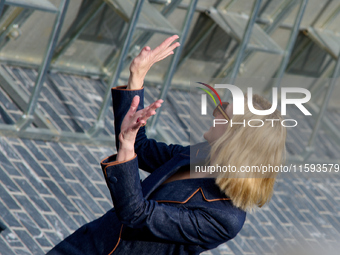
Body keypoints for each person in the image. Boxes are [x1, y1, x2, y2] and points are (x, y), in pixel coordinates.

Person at [47, 35, 287, 255]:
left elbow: (136, 214)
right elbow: (141, 149)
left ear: (237, 137)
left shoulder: (224, 218)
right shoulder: (202, 156)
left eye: (224, 113)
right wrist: (137, 76)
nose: (216, 112)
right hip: (87, 243)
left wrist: (127, 143)